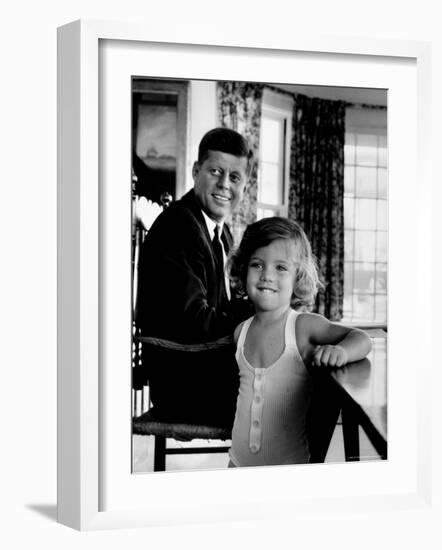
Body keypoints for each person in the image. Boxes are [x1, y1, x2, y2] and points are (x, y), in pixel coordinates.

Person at [227, 217, 372, 467]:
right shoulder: (241, 332)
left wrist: (341, 351)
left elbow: (362, 338)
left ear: (299, 277)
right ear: (243, 269)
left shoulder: (302, 326)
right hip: (237, 463)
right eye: (257, 265)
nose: (267, 276)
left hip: (290, 468)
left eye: (281, 268)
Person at [135, 127, 253, 426]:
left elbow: (221, 307)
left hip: (203, 365)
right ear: (196, 170)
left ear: (245, 185)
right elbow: (194, 324)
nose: (225, 184)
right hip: (184, 383)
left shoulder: (220, 231)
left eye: (235, 177)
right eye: (215, 171)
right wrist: (258, 320)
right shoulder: (179, 227)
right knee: (300, 390)